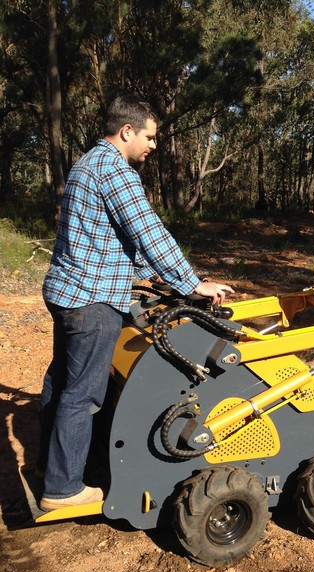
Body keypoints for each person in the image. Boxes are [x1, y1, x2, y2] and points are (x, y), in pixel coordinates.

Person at [38, 94, 233, 511]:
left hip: (67, 291)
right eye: (150, 136)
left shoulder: (87, 163)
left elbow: (116, 240)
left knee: (60, 381)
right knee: (84, 394)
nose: (154, 144)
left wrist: (162, 277)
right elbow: (149, 232)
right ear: (126, 131)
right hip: (92, 300)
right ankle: (63, 490)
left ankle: (49, 466)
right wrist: (191, 283)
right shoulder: (116, 171)